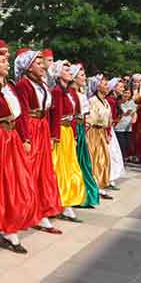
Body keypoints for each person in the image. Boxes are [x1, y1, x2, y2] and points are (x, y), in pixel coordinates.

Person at [0, 48, 40, 253]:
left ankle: (9, 224)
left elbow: (19, 115)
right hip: (0, 140)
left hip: (12, 138)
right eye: (2, 61)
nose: (6, 63)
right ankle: (3, 228)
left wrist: (25, 138)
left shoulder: (9, 86)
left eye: (6, 60)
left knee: (19, 182)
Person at [14, 50, 63, 233]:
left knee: (44, 170)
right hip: (32, 128)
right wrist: (25, 137)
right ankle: (28, 212)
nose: (43, 66)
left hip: (42, 127)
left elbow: (48, 110)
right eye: (38, 63)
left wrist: (51, 134)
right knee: (31, 170)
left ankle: (43, 211)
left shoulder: (42, 84)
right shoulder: (23, 85)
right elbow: (23, 113)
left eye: (43, 63)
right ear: (28, 67)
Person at [49, 60, 86, 221]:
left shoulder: (70, 91)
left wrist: (75, 135)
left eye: (70, 70)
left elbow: (74, 114)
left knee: (71, 167)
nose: (70, 72)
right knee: (60, 168)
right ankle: (61, 203)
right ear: (58, 73)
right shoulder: (56, 91)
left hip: (68, 133)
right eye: (66, 70)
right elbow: (55, 115)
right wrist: (54, 136)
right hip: (60, 133)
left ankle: (68, 201)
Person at [69, 64, 100, 207]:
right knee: (76, 161)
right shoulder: (70, 94)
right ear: (74, 77)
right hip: (74, 129)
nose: (84, 78)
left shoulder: (81, 94)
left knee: (84, 162)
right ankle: (77, 194)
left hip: (81, 128)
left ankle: (85, 194)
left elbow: (84, 115)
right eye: (81, 75)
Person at [86, 74, 114, 198]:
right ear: (97, 86)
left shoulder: (106, 102)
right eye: (104, 84)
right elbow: (90, 119)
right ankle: (94, 185)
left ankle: (101, 184)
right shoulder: (92, 101)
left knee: (104, 158)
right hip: (93, 131)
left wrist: (107, 132)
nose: (107, 87)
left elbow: (109, 119)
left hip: (101, 132)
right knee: (94, 158)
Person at [106, 78, 125, 188]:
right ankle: (110, 177)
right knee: (111, 153)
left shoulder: (114, 100)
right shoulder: (111, 100)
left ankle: (111, 176)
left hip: (111, 128)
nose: (123, 88)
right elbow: (110, 118)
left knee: (113, 153)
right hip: (109, 129)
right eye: (120, 86)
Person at [115, 86, 136, 160]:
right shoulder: (117, 102)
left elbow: (134, 113)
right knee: (122, 144)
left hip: (128, 127)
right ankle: (122, 158)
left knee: (128, 144)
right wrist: (124, 114)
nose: (127, 94)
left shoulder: (131, 102)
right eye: (125, 93)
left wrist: (134, 119)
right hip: (118, 127)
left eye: (128, 93)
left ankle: (126, 157)